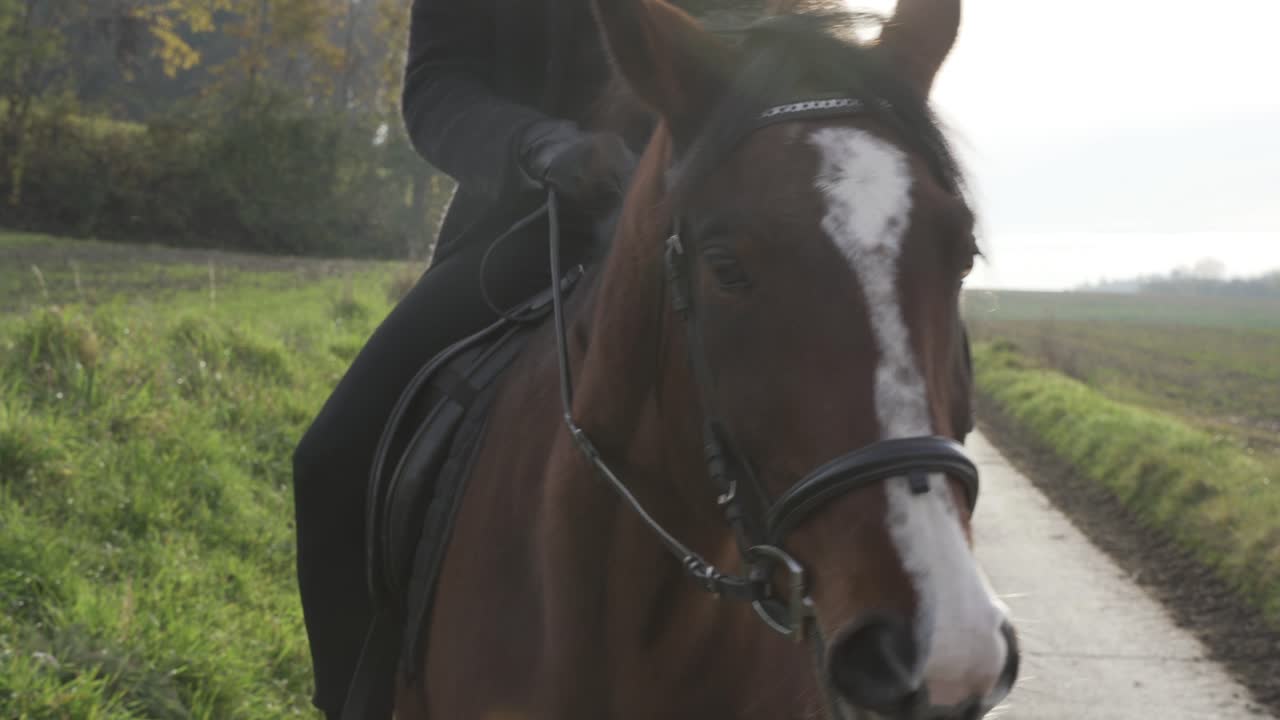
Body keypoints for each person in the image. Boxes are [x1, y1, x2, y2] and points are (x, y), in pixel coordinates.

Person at [290, 0, 764, 717]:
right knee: (331, 461)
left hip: (719, 232)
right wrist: (537, 147)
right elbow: (439, 85)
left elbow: (780, 45)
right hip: (531, 224)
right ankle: (358, 701)